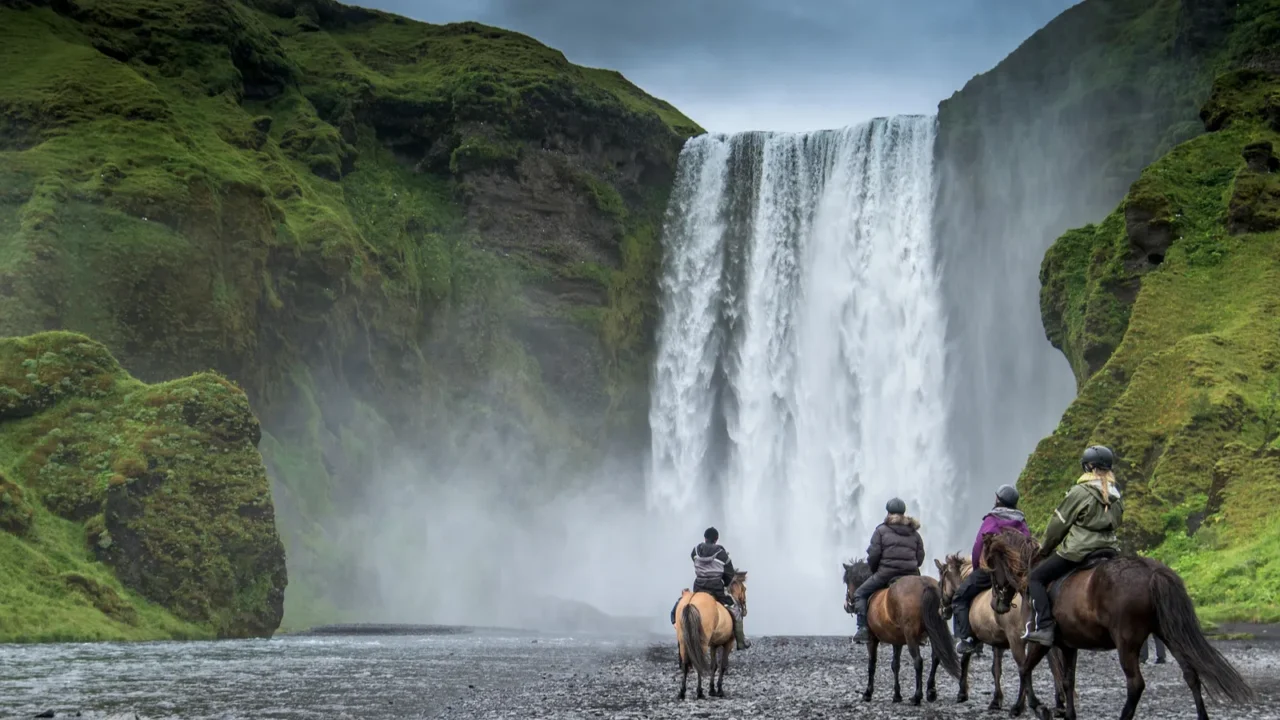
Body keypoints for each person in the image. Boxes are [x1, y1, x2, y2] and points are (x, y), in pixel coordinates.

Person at [1022, 445, 1124, 646]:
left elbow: (1058, 525)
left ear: (1088, 467)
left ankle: (1044, 626)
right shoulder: (1116, 495)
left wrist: (1045, 550)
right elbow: (1118, 522)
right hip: (1110, 549)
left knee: (1036, 578)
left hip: (1078, 551)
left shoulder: (1080, 491)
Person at [952, 484, 1030, 654]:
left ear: (998, 500)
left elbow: (978, 547)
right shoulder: (1022, 522)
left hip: (992, 572)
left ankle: (967, 639)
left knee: (959, 597)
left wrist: (977, 567)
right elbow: (1027, 544)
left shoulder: (992, 519)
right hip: (1017, 573)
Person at [851, 497, 925, 643]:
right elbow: (920, 558)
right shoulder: (915, 534)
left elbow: (874, 555)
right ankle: (924, 633)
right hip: (911, 575)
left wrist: (875, 570)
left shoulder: (881, 531)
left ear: (888, 513)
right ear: (904, 514)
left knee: (860, 593)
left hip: (886, 573)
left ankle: (863, 629)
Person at [670, 527, 751, 650]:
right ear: (716, 539)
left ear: (705, 538)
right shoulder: (721, 554)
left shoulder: (695, 551)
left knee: (682, 602)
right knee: (735, 609)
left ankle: (675, 622)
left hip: (698, 586)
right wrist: (724, 583)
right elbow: (729, 573)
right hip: (716, 588)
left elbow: (694, 560)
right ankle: (740, 641)